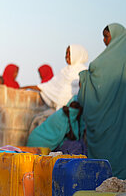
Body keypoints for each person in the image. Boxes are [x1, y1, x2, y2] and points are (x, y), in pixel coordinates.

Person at [78, 23, 126, 179]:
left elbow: (96, 71)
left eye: (107, 36)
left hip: (112, 118)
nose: (104, 41)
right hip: (116, 118)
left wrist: (85, 78)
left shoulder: (107, 59)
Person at [22, 45, 88, 110]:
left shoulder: (84, 72)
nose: (67, 56)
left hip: (78, 109)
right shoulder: (64, 71)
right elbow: (47, 87)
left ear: (77, 54)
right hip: (60, 109)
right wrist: (27, 87)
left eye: (70, 53)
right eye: (66, 53)